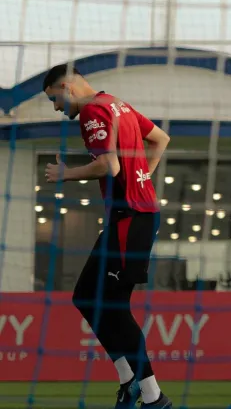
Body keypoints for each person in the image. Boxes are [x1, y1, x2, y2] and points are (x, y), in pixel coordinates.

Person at [42, 64, 174, 409]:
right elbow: (161, 138)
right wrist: (143, 177)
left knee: (113, 307)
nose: (56, 108)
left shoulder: (92, 112)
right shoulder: (118, 104)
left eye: (53, 98)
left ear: (66, 86)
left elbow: (108, 166)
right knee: (86, 297)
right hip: (130, 215)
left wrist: (65, 175)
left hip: (132, 218)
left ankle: (152, 396)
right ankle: (128, 378)